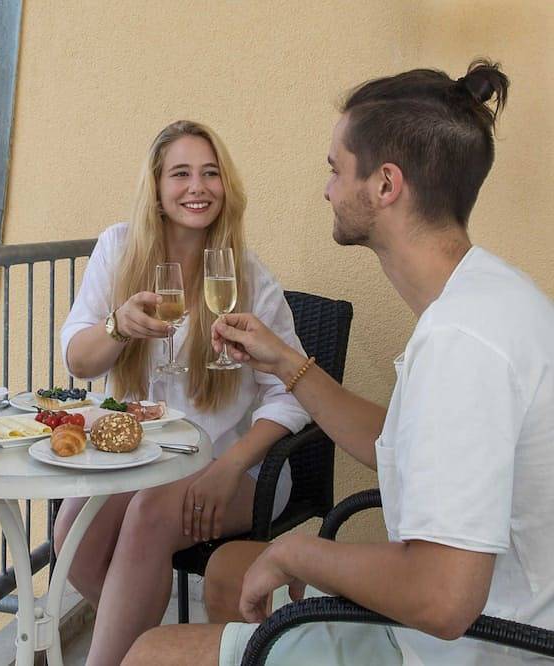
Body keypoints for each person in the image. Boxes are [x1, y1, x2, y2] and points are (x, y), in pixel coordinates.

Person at [123, 60, 554, 665]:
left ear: (384, 185)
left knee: (150, 654)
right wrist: (285, 364)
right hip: (479, 619)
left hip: (474, 646)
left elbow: (442, 597)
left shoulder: (463, 341)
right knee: (227, 568)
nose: (326, 189)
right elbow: (397, 439)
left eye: (335, 169)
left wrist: (297, 553)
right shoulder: (490, 294)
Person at [55, 120, 311, 666]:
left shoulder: (249, 278)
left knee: (148, 515)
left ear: (227, 186)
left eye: (210, 173)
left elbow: (290, 395)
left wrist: (227, 468)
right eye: (181, 174)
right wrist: (118, 326)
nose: (198, 187)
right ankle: (157, 644)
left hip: (237, 465)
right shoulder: (119, 248)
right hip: (150, 458)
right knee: (72, 534)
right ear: (156, 188)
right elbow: (78, 359)